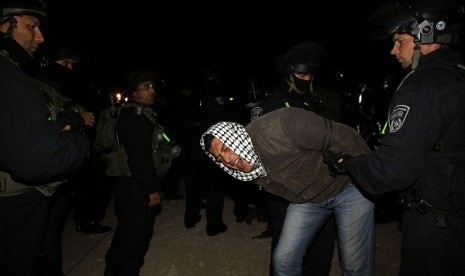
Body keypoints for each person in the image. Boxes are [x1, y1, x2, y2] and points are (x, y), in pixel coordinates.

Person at [323, 1, 465, 275]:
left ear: (425, 36)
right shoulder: (458, 73)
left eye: (399, 41)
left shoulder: (422, 86)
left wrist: (348, 163)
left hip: (437, 224)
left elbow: (390, 171)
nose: (393, 50)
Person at [200, 107, 375, 275]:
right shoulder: (247, 168)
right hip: (309, 201)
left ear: (235, 137)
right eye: (220, 158)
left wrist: (370, 178)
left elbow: (346, 136)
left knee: (354, 266)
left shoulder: (283, 124)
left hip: (348, 188)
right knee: (284, 262)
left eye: (225, 148)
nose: (227, 159)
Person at [0, 1, 89, 275]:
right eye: (31, 27)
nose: (39, 36)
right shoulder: (12, 77)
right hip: (18, 198)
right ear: (5, 25)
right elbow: (43, 155)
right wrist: (78, 138)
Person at [250, 41, 339, 276]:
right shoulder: (271, 104)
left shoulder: (315, 99)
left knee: (320, 251)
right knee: (287, 256)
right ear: (289, 73)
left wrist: (324, 116)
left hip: (322, 187)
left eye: (310, 75)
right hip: (288, 193)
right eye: (301, 74)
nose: (306, 80)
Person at [104, 67, 177, 275]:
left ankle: (113, 270)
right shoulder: (134, 117)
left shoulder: (136, 113)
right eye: (145, 87)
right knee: (136, 236)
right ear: (133, 92)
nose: (151, 90)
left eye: (152, 86)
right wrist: (152, 188)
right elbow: (139, 158)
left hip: (130, 182)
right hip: (135, 185)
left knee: (127, 230)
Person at [33, 38, 97, 275]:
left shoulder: (57, 90)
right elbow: (46, 130)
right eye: (65, 63)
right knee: (38, 245)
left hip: (61, 176)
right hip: (40, 182)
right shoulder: (34, 88)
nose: (69, 70)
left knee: (51, 240)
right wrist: (76, 119)